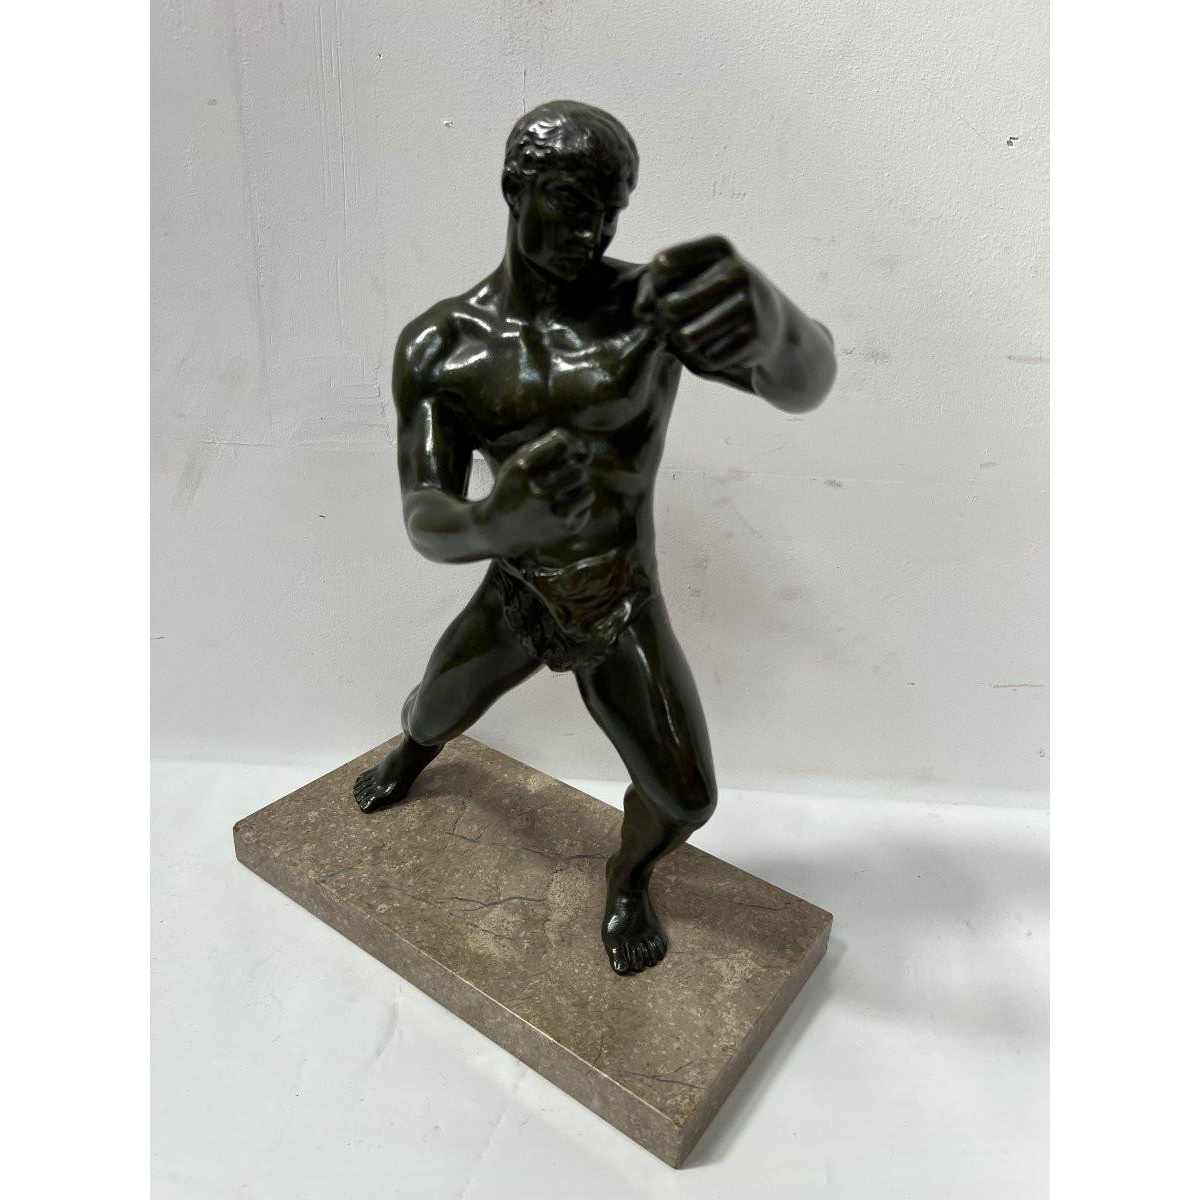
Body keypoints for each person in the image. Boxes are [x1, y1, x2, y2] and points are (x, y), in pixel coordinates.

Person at [353, 100, 836, 975]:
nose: (594, 231)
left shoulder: (646, 311)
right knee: (434, 709)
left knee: (686, 798)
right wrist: (494, 524)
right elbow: (424, 513)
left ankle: (628, 875)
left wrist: (777, 321)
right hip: (517, 589)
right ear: (514, 188)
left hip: (619, 596)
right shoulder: (441, 346)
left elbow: (802, 383)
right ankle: (414, 751)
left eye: (611, 210)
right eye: (573, 203)